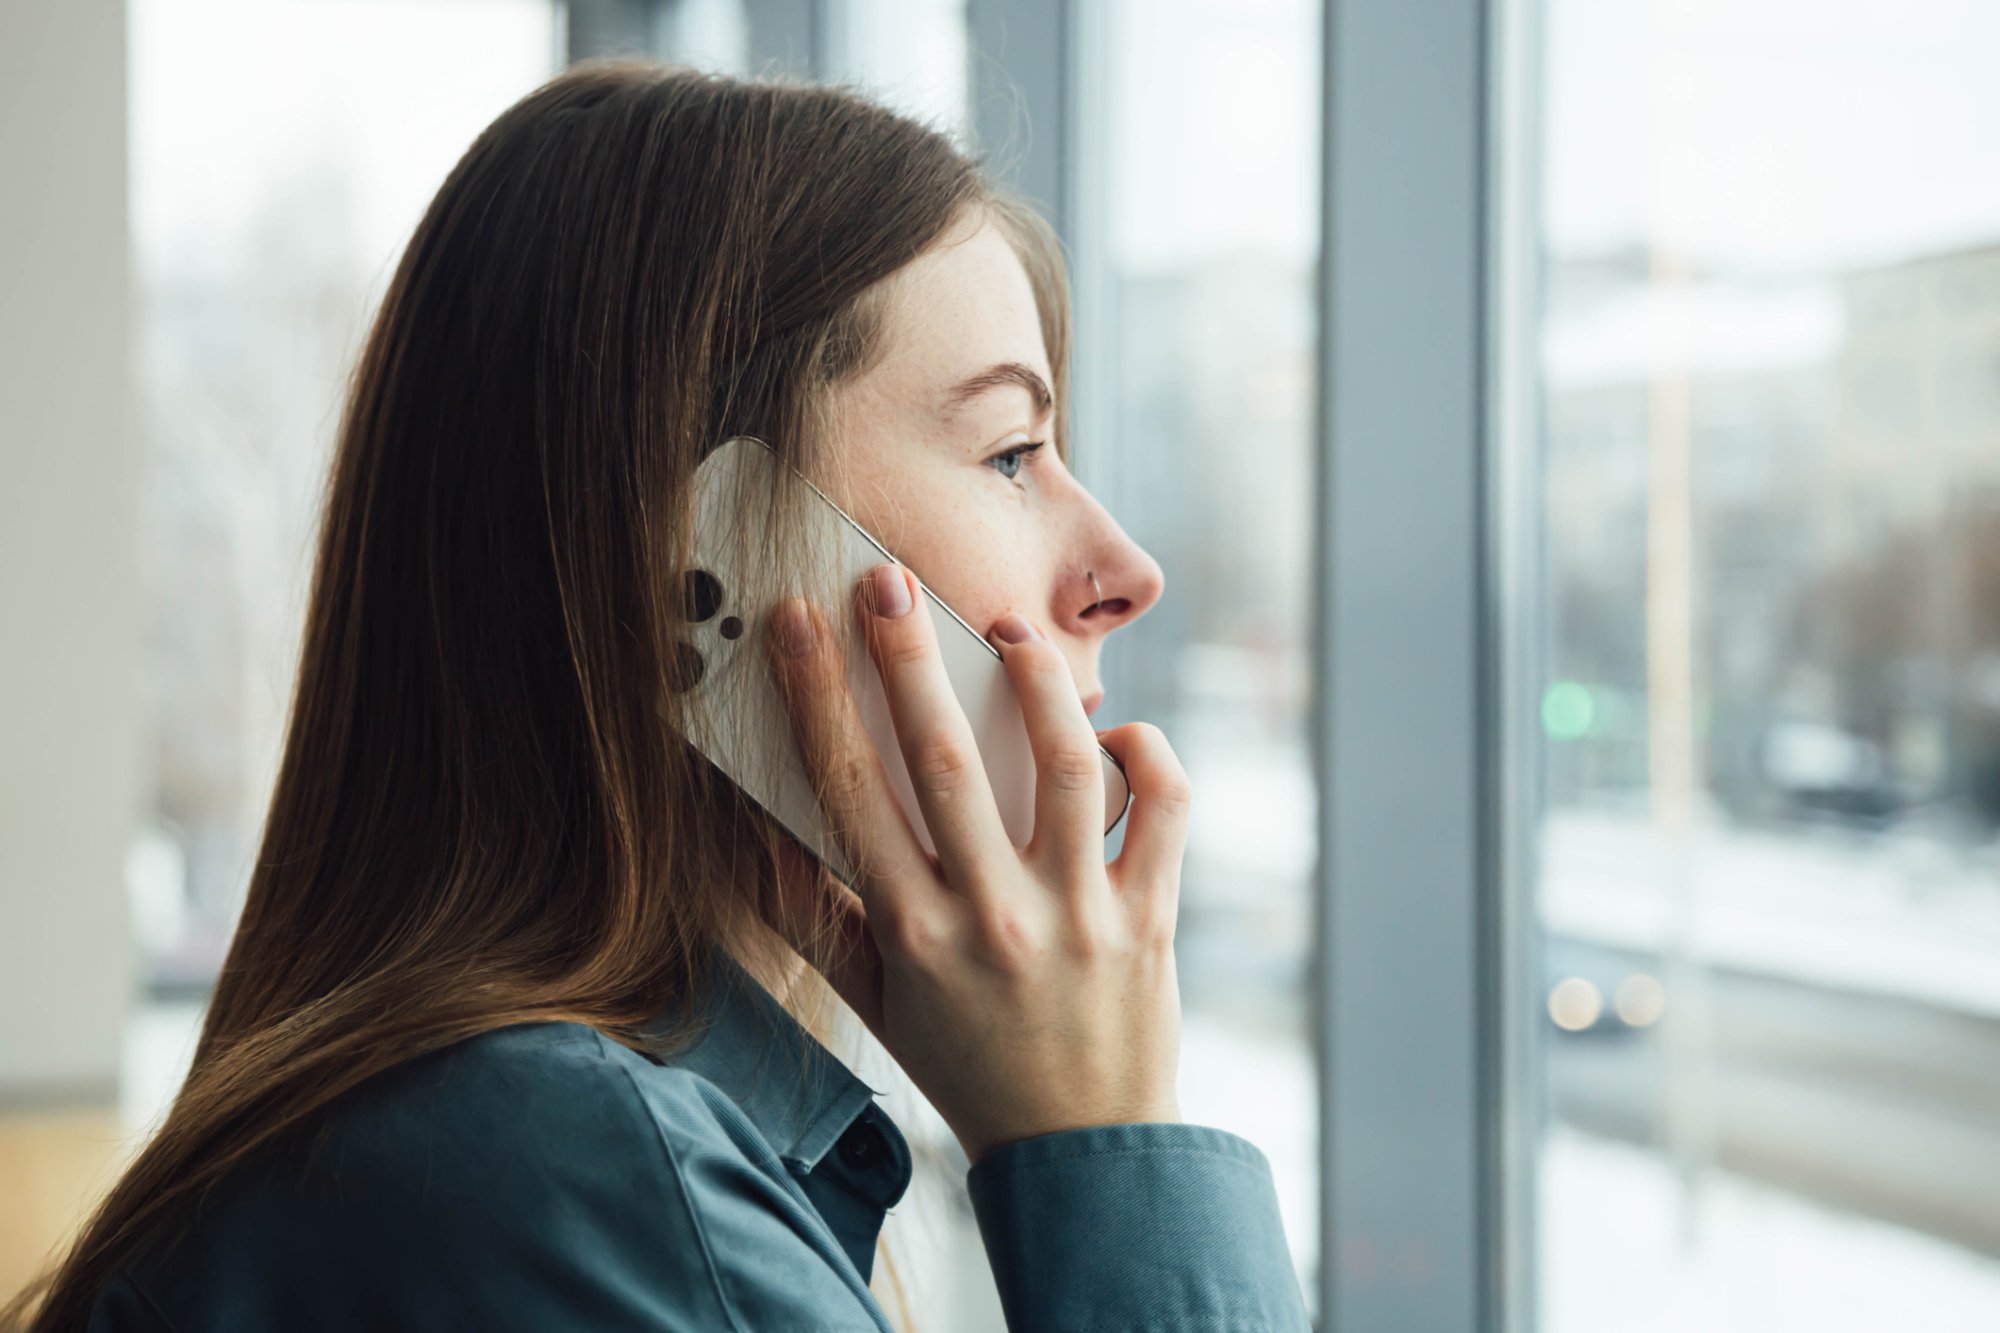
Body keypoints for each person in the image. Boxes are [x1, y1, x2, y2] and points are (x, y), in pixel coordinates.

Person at [6, 58, 1308, 1333]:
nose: (1126, 571)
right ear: (702, 556)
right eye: (1012, 453)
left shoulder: (511, 1139)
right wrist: (1101, 1138)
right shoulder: (575, 1174)